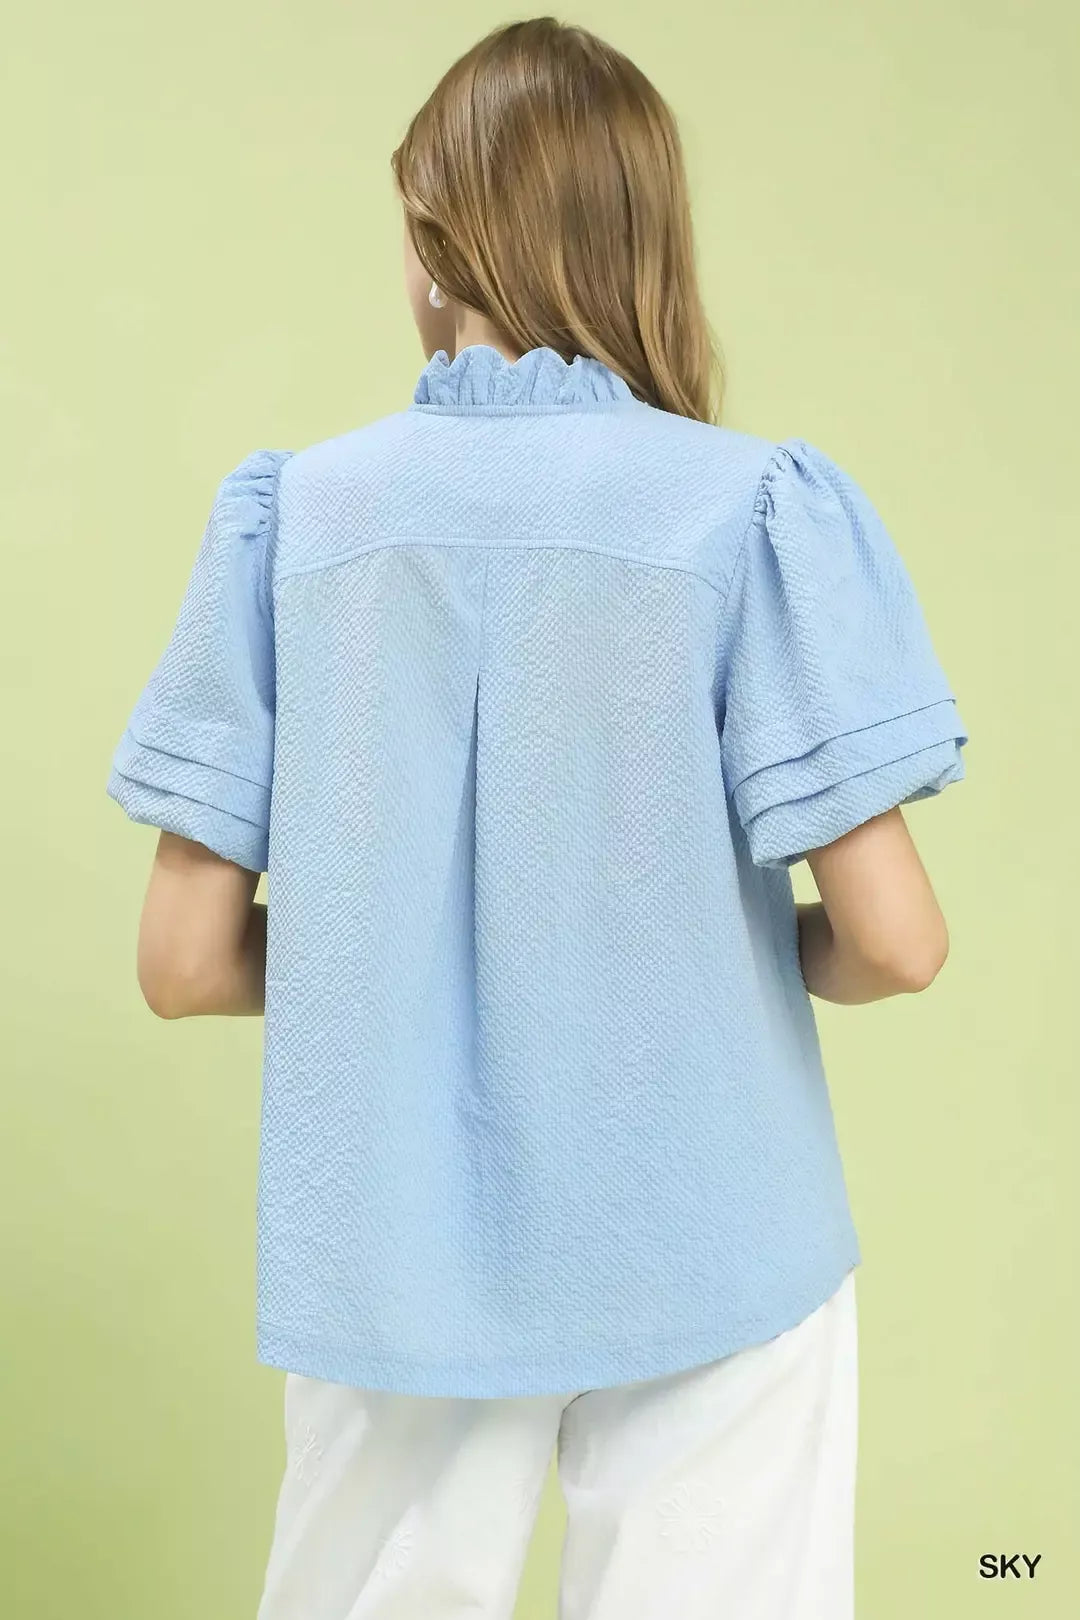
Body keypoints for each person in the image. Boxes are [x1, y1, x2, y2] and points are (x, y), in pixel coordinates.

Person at [105, 17, 969, 1620]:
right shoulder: (748, 507)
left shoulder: (294, 519)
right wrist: (710, 957)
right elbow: (899, 944)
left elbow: (182, 962)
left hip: (394, 1251)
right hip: (718, 1230)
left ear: (434, 242)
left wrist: (403, 970)